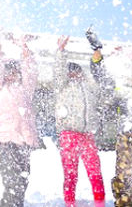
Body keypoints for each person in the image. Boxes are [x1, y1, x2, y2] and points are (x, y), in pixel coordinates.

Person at [88, 27, 132, 207]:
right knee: (125, 181)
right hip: (127, 138)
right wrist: (97, 52)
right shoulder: (120, 87)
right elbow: (101, 76)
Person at [0, 27, 39, 207]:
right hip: (2, 141)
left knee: (21, 184)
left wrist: (24, 49)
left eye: (14, 71)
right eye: (8, 71)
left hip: (22, 142)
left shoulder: (25, 90)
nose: (12, 74)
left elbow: (31, 72)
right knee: (14, 183)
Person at [54, 35, 105, 206]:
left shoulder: (89, 88)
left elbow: (100, 77)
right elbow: (59, 70)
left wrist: (98, 55)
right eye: (71, 71)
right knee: (70, 173)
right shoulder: (63, 86)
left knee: (95, 172)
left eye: (77, 71)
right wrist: (61, 51)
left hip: (88, 134)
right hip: (69, 133)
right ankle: (70, 203)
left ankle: (100, 202)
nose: (74, 74)